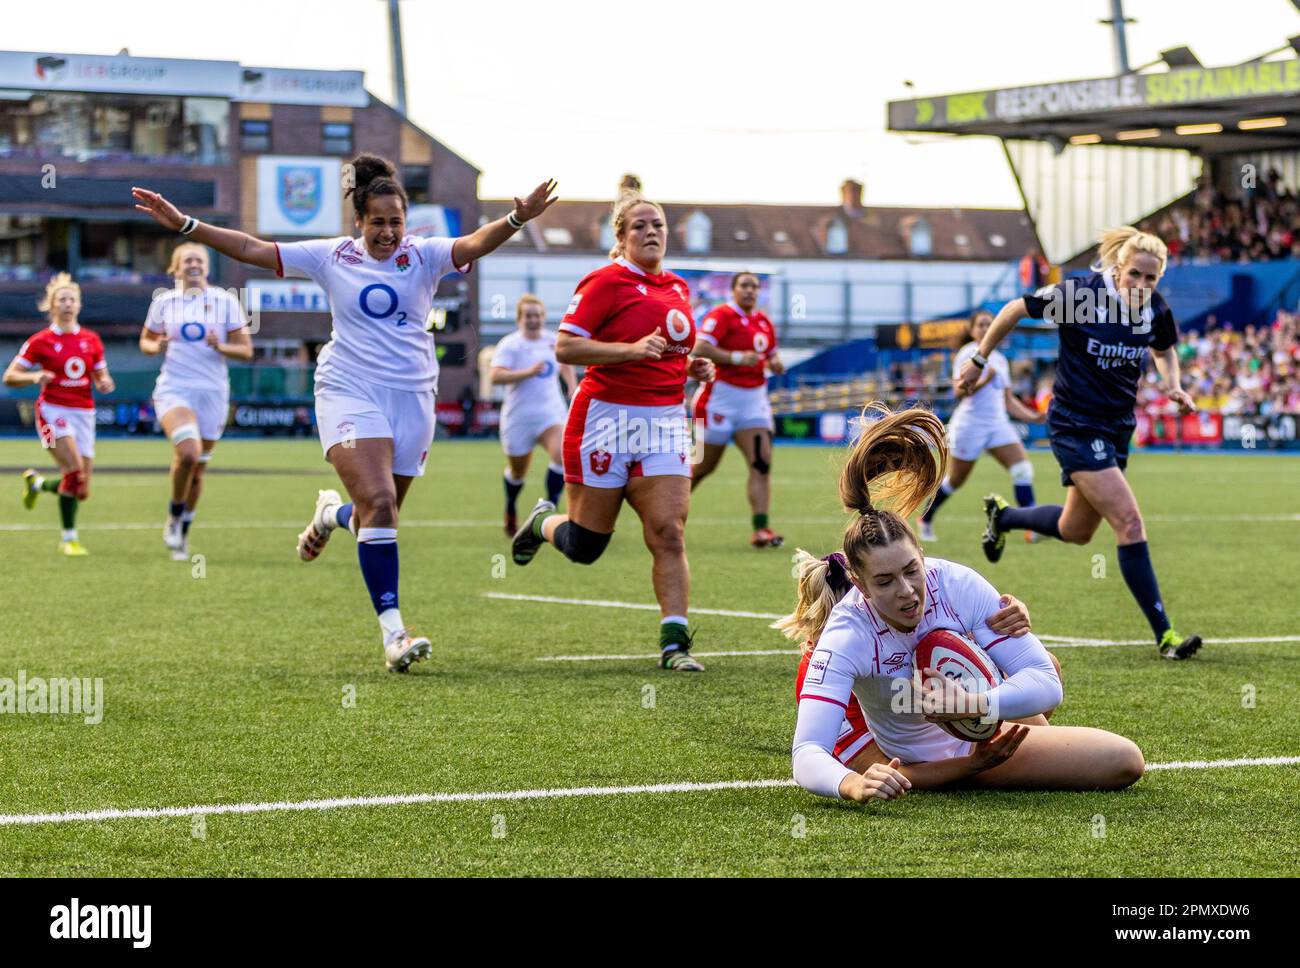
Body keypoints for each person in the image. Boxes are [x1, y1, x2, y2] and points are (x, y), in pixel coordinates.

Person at [133, 156, 557, 671]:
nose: (388, 232)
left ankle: (329, 516)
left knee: (376, 513)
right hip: (347, 388)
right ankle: (395, 634)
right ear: (359, 221)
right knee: (379, 505)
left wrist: (516, 220)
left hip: (413, 397)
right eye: (377, 221)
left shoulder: (423, 255)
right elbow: (251, 248)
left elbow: (473, 243)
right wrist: (186, 225)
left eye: (396, 221)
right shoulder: (330, 255)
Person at [787, 404, 1145, 804]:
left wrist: (976, 704)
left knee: (1053, 682)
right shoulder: (846, 631)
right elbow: (806, 752)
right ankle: (992, 770)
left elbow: (1045, 681)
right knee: (1122, 759)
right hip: (939, 757)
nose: (906, 590)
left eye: (911, 570)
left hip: (983, 716)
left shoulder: (954, 581)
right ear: (860, 586)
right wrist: (851, 784)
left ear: (922, 555)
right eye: (885, 581)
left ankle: (1014, 755)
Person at [956, 226, 1202, 661]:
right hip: (1074, 425)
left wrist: (1173, 385)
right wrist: (979, 360)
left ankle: (1005, 516)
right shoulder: (1080, 296)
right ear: (1117, 268)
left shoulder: (1155, 310)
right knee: (1129, 521)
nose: (1143, 286)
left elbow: (1164, 349)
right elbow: (1015, 307)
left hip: (1116, 429)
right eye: (1135, 276)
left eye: (1152, 279)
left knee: (1077, 530)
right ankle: (1166, 636)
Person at [511, 191, 716, 671]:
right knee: (586, 547)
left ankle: (675, 643)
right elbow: (565, 348)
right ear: (621, 238)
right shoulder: (605, 282)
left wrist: (692, 368)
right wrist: (629, 351)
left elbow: (666, 353)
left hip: (665, 421)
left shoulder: (680, 289)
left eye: (658, 225)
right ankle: (542, 522)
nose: (651, 232)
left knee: (668, 531)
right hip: (604, 420)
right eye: (640, 225)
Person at [139, 242, 253, 561]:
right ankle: (174, 517)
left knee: (198, 471)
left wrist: (222, 347)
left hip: (213, 392)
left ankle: (183, 532)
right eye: (187, 260)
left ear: (207, 266)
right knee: (188, 453)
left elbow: (245, 350)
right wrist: (155, 345)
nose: (194, 264)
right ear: (175, 268)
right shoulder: (164, 302)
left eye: (199, 260)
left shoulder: (225, 301)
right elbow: (146, 340)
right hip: (175, 388)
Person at [5, 274, 115, 555]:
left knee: (82, 489)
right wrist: (35, 377)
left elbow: (102, 375)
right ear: (52, 306)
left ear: (79, 305)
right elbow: (10, 377)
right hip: (52, 412)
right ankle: (69, 539)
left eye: (72, 299)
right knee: (75, 471)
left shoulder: (91, 339)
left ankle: (37, 485)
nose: (68, 304)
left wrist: (104, 382)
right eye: (62, 299)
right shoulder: (40, 341)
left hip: (84, 413)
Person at [918, 309, 1045, 543]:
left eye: (990, 324)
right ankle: (926, 518)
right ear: (972, 330)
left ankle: (1033, 526)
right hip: (970, 426)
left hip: (998, 424)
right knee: (955, 481)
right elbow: (958, 391)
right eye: (982, 325)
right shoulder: (967, 354)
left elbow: (1008, 400)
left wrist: (1033, 417)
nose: (986, 329)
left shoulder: (1000, 359)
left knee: (1022, 470)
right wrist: (984, 378)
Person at [688, 271, 787, 547]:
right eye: (744, 285)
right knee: (701, 467)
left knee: (761, 464)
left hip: (754, 401)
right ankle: (668, 516)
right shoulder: (722, 315)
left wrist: (776, 363)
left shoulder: (763, 321)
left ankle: (761, 528)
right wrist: (734, 357)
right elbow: (699, 346)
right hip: (717, 400)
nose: (750, 291)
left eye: (754, 286)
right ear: (733, 290)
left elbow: (770, 354)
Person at [490, 294, 574, 535]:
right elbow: (495, 375)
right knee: (518, 472)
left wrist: (571, 384)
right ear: (520, 318)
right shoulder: (510, 344)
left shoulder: (552, 340)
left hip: (550, 412)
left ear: (543, 317)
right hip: (519, 417)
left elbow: (565, 362)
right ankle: (510, 505)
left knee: (561, 455)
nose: (533, 320)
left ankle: (549, 511)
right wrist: (526, 372)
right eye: (528, 315)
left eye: (537, 315)